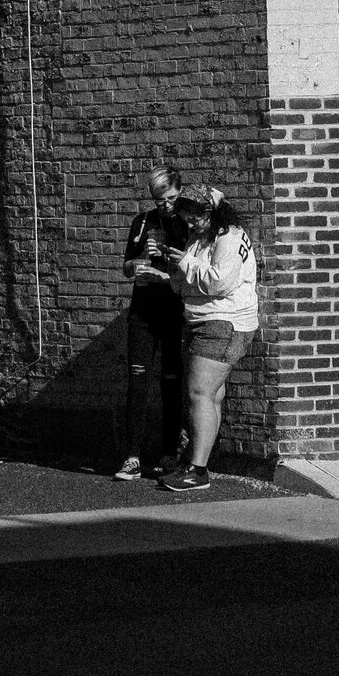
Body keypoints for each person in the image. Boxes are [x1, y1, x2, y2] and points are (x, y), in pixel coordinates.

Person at [152, 185, 259, 493]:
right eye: (188, 215)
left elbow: (219, 283)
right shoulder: (201, 238)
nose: (192, 221)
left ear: (213, 211)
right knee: (211, 395)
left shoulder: (229, 237)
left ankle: (197, 470)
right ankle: (199, 462)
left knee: (199, 392)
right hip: (205, 322)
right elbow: (184, 285)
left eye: (199, 214)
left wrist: (186, 264)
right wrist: (175, 268)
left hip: (223, 323)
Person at [115, 163, 190, 480]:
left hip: (173, 311)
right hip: (143, 312)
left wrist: (165, 268)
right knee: (138, 381)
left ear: (180, 192)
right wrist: (142, 260)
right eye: (160, 200)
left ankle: (171, 453)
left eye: (171, 198)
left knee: (172, 382)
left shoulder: (187, 225)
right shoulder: (143, 222)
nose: (166, 205)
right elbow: (127, 268)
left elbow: (190, 274)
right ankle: (132, 456)